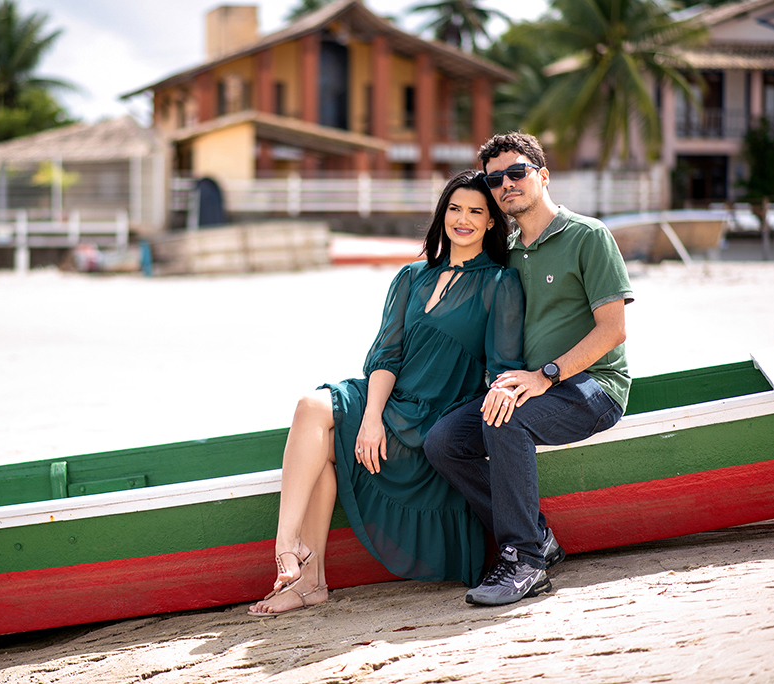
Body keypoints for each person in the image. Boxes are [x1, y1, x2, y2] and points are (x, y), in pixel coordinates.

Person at [249, 170, 525, 615]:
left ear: (492, 222)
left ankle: (294, 560)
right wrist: (372, 419)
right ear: (442, 214)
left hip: (433, 418)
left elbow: (500, 369)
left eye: (477, 211)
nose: (464, 219)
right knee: (314, 413)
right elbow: (386, 355)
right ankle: (307, 576)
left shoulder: (500, 284)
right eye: (455, 208)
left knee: (319, 430)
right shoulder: (411, 276)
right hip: (388, 403)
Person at [424, 132, 633, 607]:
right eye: (495, 179)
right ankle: (538, 536)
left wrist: (545, 376)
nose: (505, 185)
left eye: (516, 173)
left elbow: (613, 331)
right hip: (530, 387)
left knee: (507, 416)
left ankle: (524, 562)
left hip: (592, 388)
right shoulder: (507, 251)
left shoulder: (588, 235)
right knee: (443, 442)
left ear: (542, 175)